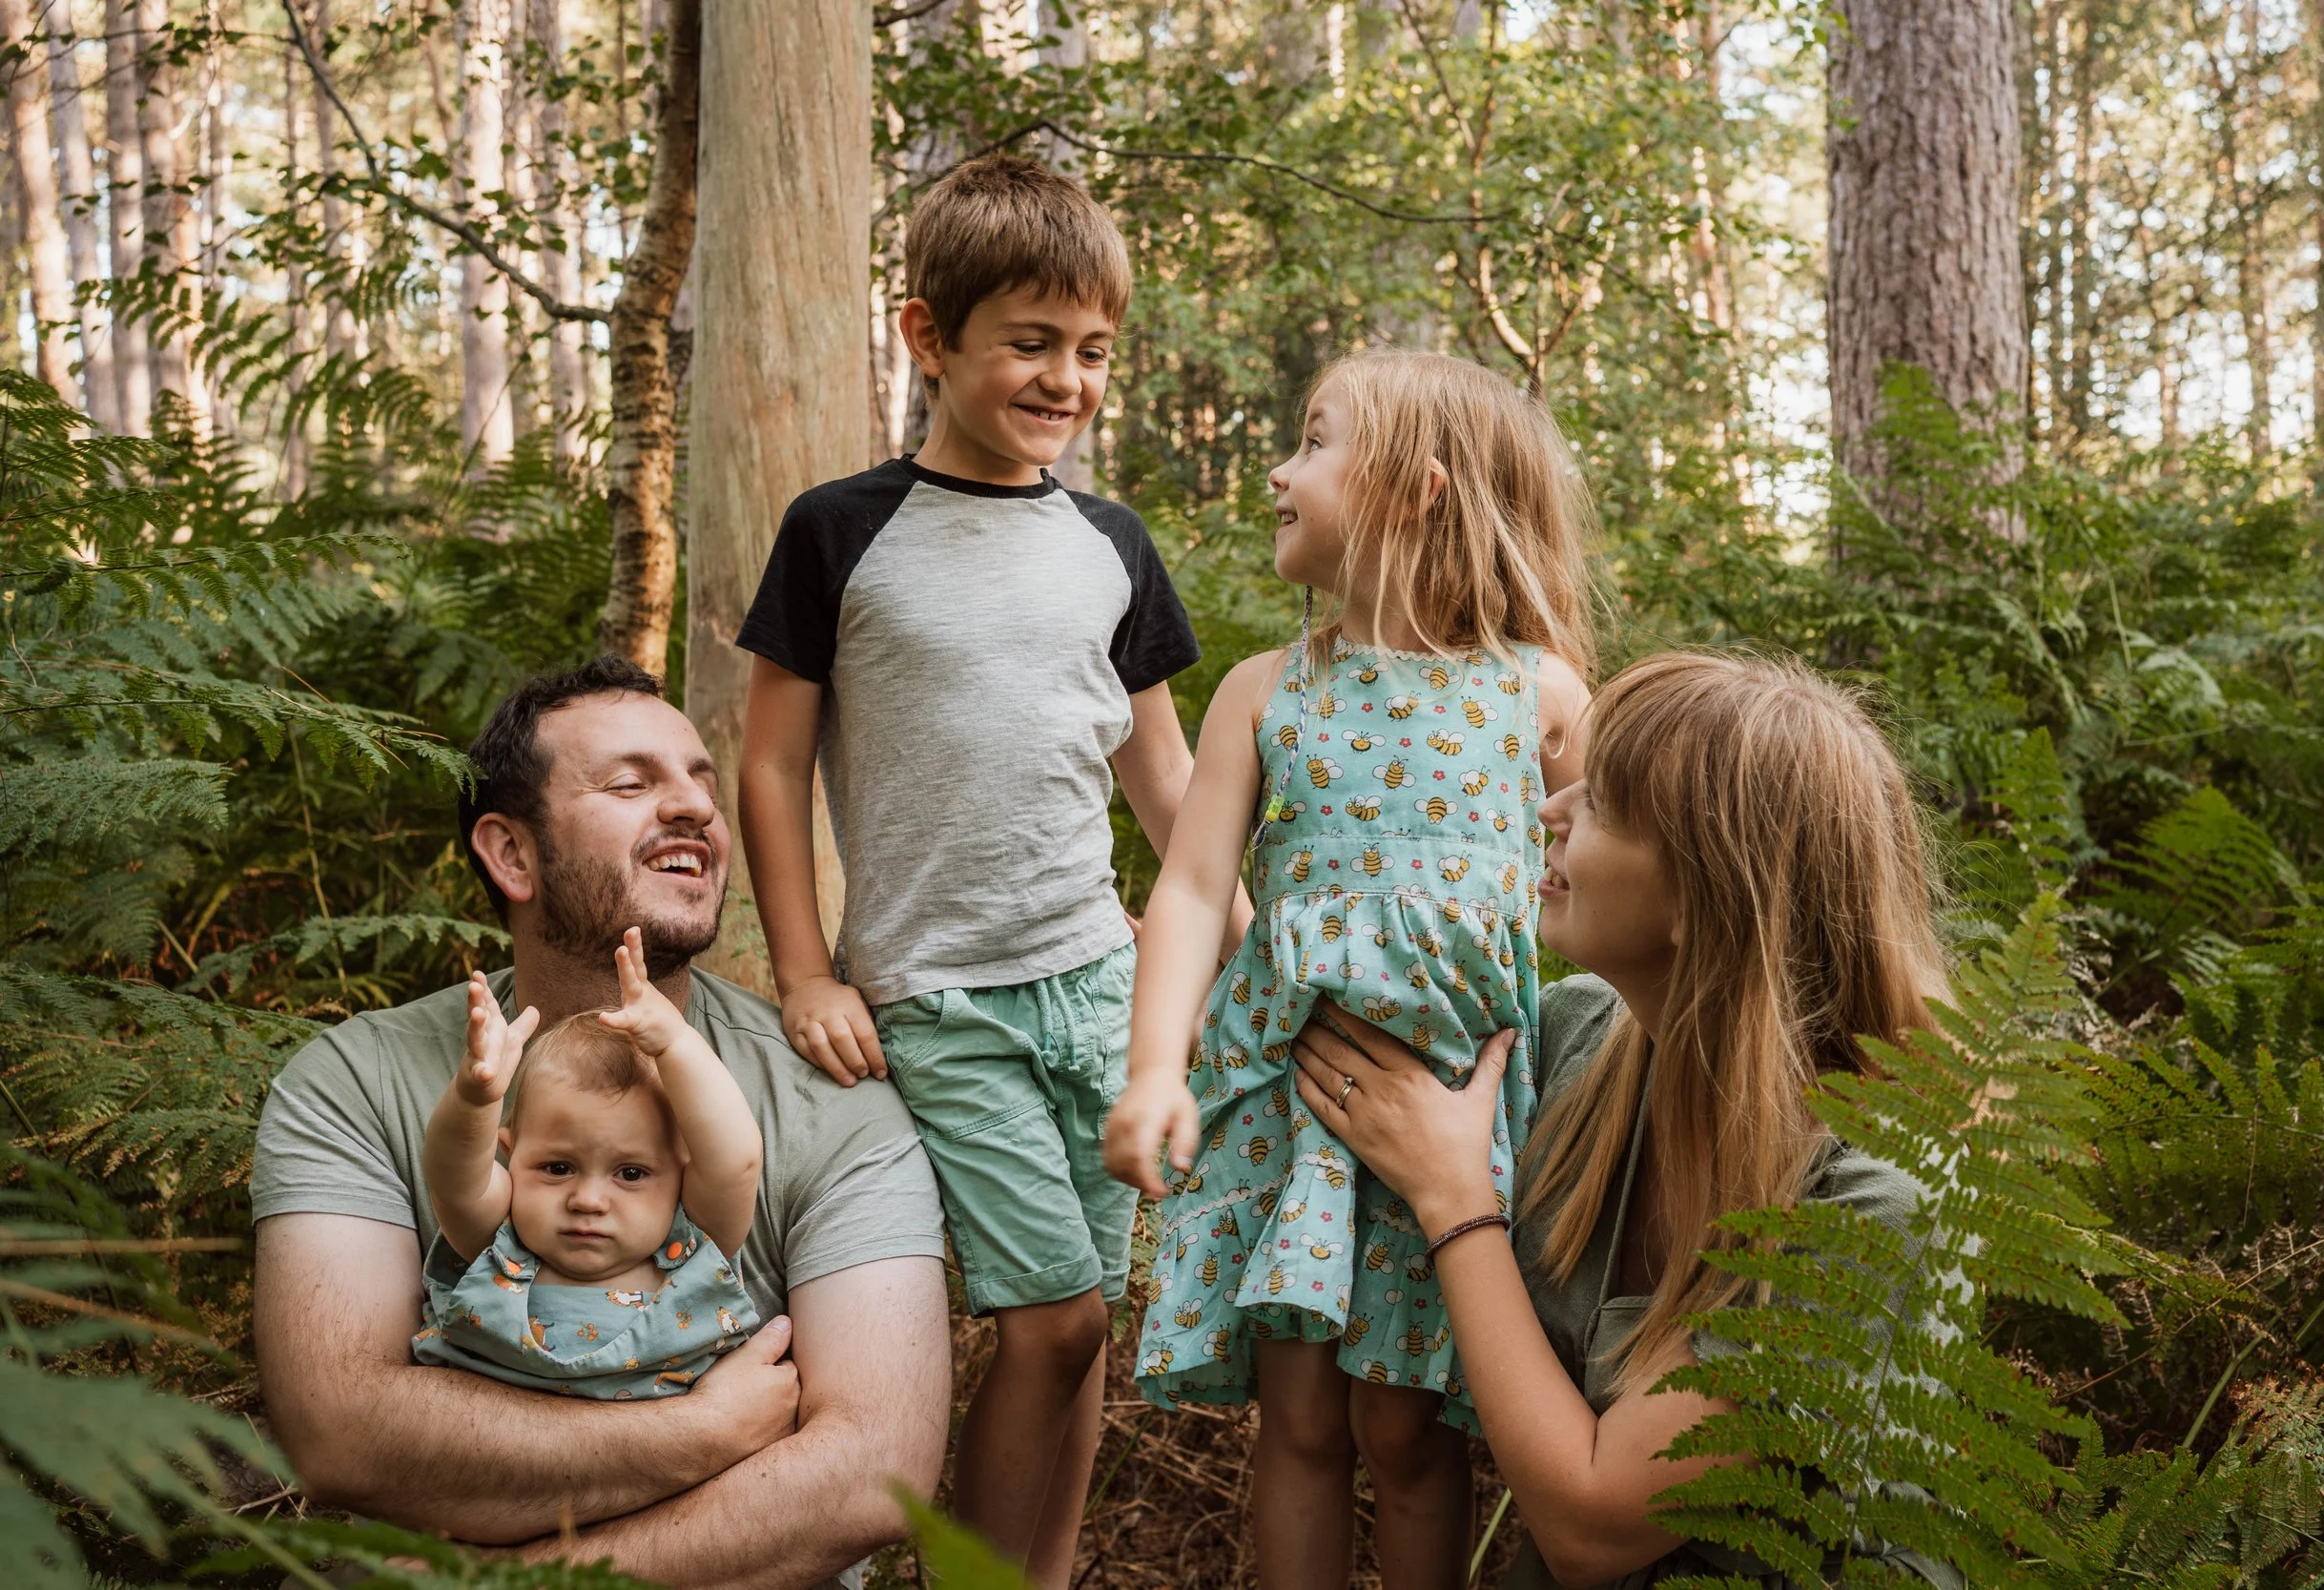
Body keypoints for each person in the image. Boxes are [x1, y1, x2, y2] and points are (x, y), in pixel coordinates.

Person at [735, 154, 1228, 1586]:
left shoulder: (1111, 543)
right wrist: (805, 965)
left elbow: (1165, 776)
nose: (1065, 379)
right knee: (1052, 1319)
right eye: (1029, 341)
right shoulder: (844, 530)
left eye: (1091, 351)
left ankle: (1042, 1572)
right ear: (927, 336)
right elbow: (771, 762)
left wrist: (1240, 937)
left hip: (1102, 984)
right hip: (942, 998)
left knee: (1081, 1337)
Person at [250, 657, 950, 1589]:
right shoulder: (352, 1079)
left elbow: (872, 1475)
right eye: (632, 782)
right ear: (511, 854)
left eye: (703, 781)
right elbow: (341, 1431)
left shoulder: (834, 1094)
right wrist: (700, 1432)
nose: (695, 807)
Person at [1289, 651, 1964, 1589]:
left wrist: (1455, 1199)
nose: (1547, 810)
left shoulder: (1868, 1205)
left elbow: (1593, 1522)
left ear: (1701, 892)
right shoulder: (1576, 1036)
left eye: (1598, 800)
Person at [1102, 348, 1594, 1589]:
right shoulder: (1269, 693)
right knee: (1307, 1423)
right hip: (1292, 1096)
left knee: (1412, 1433)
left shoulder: (1535, 693)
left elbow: (1605, 888)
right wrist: (1158, 1067)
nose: (1278, 466)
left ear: (1416, 491)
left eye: (1314, 441)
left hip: (1455, 1111)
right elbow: (1197, 884)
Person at [411, 927, 764, 1399]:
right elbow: (453, 1176)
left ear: (682, 1167)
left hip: (674, 1461)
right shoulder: (496, 1242)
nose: (588, 1200)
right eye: (557, 1168)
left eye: (631, 1173)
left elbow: (736, 1159)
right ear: (510, 1156)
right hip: (488, 1454)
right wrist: (474, 1098)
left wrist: (675, 1043)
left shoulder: (695, 1245)